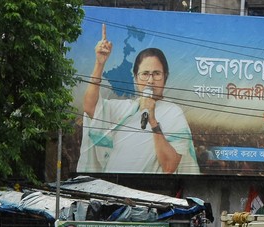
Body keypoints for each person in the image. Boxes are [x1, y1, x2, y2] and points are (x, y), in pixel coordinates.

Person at [78, 25, 198, 175]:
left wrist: (153, 121)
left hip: (149, 192)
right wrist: (100, 63)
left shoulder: (174, 113)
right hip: (113, 189)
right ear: (135, 78)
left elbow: (169, 166)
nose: (150, 80)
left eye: (156, 74)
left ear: (165, 77)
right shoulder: (125, 109)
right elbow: (90, 107)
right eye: (145, 74)